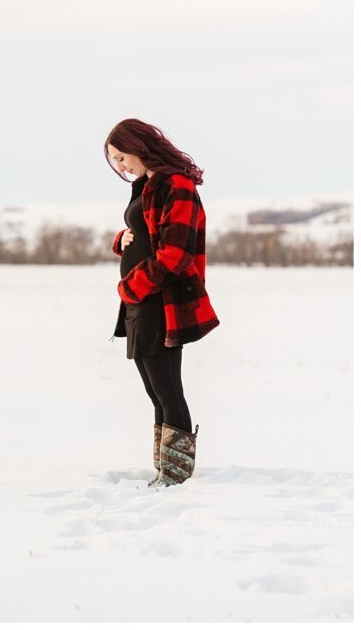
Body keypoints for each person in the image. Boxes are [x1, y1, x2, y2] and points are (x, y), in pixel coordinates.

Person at [105, 119, 219, 487]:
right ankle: (164, 472)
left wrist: (132, 286)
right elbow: (149, 232)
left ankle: (176, 476)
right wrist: (123, 238)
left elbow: (175, 254)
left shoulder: (178, 185)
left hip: (162, 301)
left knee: (168, 389)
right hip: (141, 302)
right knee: (155, 391)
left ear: (139, 145)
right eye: (115, 161)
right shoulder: (148, 185)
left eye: (122, 157)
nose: (121, 167)